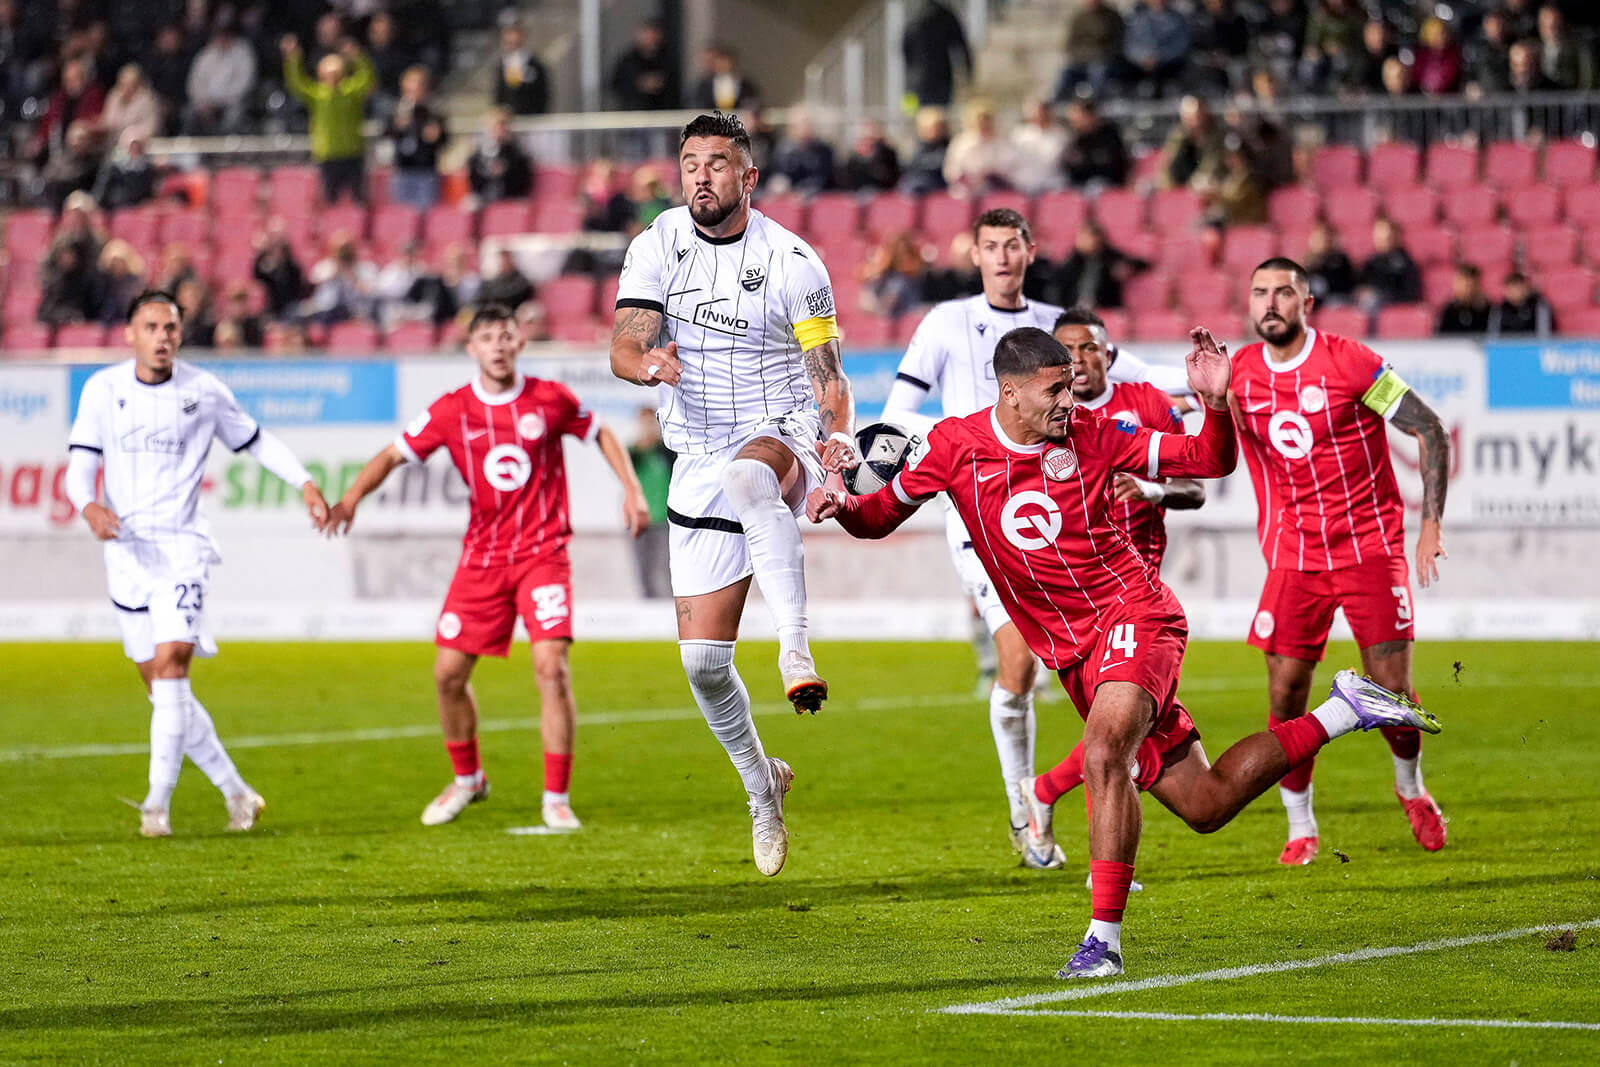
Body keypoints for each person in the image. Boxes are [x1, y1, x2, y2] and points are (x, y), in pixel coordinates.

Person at [809, 324, 1441, 978]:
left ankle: (1103, 942)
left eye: (1071, 386)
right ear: (1011, 393)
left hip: (1137, 616)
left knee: (1106, 749)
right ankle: (1345, 710)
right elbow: (878, 516)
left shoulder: (1095, 433)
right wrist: (841, 505)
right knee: (1207, 803)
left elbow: (1209, 460)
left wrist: (1217, 405)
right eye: (1055, 389)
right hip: (1076, 654)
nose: (1070, 399)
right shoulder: (953, 447)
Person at [880, 210, 1192, 864]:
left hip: (1054, 509)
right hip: (979, 512)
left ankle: (1060, 789)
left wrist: (1210, 386)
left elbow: (1142, 373)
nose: (1001, 257)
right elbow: (896, 414)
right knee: (1018, 661)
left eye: (1011, 245)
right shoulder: (945, 322)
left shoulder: (1055, 327)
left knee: (1083, 674)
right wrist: (962, 442)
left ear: (1029, 251)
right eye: (989, 246)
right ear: (974, 253)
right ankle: (1026, 812)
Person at [608, 111, 858, 877]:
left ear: (748, 177)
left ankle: (795, 648)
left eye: (718, 163)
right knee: (704, 666)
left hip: (777, 429)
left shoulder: (793, 262)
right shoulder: (657, 244)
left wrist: (836, 447)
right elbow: (624, 344)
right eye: (691, 163)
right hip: (695, 455)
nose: (701, 177)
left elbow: (829, 377)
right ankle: (762, 784)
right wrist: (650, 366)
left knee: (754, 477)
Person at [323, 304, 651, 829]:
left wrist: (631, 491)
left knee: (552, 668)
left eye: (505, 336)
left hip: (543, 555)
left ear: (519, 343)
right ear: (471, 349)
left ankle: (556, 798)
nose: (497, 345)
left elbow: (603, 434)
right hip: (482, 560)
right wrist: (351, 499)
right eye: (486, 338)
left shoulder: (549, 398)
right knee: (448, 675)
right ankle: (467, 779)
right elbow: (392, 455)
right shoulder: (453, 411)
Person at [65, 290, 330, 837]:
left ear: (181, 335)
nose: (162, 336)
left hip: (182, 549)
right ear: (130, 334)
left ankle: (155, 806)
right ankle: (237, 793)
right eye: (151, 326)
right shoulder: (102, 389)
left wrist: (303, 481)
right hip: (126, 551)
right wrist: (88, 505)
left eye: (171, 327)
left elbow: (256, 440)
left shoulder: (203, 392)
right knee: (160, 688)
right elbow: (79, 466)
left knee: (173, 666)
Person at [1230, 257, 1452, 865]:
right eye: (1259, 292)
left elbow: (1431, 430)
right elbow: (1204, 436)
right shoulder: (1239, 375)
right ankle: (1300, 826)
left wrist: (1429, 522)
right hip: (1294, 559)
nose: (1270, 302)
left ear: (1307, 301)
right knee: (1285, 697)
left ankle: (1410, 789)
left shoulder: (1350, 362)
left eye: (1283, 292)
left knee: (1392, 691)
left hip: (1370, 550)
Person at [1054, 307, 1203, 570]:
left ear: (1108, 355)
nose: (1076, 359)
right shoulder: (1045, 416)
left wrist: (1150, 491)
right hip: (1069, 575)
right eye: (1066, 350)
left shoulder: (1150, 403)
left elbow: (1193, 492)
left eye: (1089, 348)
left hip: (1137, 573)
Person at [282, 34, 375, 204]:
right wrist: (293, 59)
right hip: (328, 155)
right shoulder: (317, 95)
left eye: (336, 73)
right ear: (321, 75)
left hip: (352, 152)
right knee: (330, 200)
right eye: (328, 74)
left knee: (358, 199)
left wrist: (357, 57)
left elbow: (368, 78)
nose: (332, 77)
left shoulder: (351, 92)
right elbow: (297, 84)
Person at [628, 406, 675, 599]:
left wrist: (655, 443)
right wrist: (643, 444)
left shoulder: (666, 451)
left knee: (666, 567)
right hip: (640, 519)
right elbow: (626, 469)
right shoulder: (633, 451)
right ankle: (648, 611)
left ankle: (672, 608)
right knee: (643, 569)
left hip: (664, 518)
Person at [385, 66, 446, 210]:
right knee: (403, 214)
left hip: (426, 170)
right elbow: (388, 135)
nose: (414, 89)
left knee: (425, 213)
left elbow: (443, 140)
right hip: (403, 169)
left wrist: (436, 137)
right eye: (411, 84)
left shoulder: (433, 110)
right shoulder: (397, 109)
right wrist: (397, 128)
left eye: (418, 84)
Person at [185, 21, 256, 134]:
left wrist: (222, 100)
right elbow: (194, 83)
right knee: (188, 113)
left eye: (224, 36)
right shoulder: (205, 55)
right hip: (206, 103)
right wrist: (203, 102)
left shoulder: (242, 53)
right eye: (218, 36)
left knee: (234, 116)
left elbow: (245, 83)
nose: (221, 40)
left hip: (232, 102)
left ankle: (227, 148)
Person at [901, 0, 971, 108]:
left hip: (917, 81)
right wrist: (968, 72)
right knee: (937, 117)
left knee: (919, 117)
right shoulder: (946, 16)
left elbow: (905, 50)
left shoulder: (913, 16)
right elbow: (961, 46)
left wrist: (911, 72)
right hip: (941, 79)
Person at [467, 107, 534, 204]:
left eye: (502, 126)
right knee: (470, 204)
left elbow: (523, 180)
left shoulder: (517, 151)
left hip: (511, 195)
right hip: (485, 194)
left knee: (523, 204)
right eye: (494, 126)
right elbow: (474, 179)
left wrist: (506, 170)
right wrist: (488, 173)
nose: (498, 130)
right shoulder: (480, 151)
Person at [609, 19, 678, 111]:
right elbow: (616, 84)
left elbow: (675, 85)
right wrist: (639, 85)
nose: (651, 39)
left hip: (662, 111)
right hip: (634, 111)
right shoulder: (628, 60)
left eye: (654, 35)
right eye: (647, 35)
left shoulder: (668, 59)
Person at [1061, 97, 1129, 190]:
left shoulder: (1110, 135)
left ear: (1090, 116)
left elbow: (1111, 167)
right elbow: (1071, 167)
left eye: (1077, 119)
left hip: (1108, 186)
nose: (1074, 123)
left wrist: (1085, 164)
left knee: (1095, 186)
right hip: (1081, 185)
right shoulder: (1078, 139)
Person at [494, 23, 551, 115]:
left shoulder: (535, 64)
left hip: (531, 117)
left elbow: (542, 94)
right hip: (509, 119)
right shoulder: (503, 64)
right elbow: (500, 93)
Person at [1489, 272, 1555, 337]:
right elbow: (1493, 336)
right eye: (1511, 288)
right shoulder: (1499, 309)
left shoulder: (1538, 306)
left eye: (1518, 287)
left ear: (1526, 289)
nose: (1515, 292)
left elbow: (1545, 336)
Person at [1436, 264, 1490, 335]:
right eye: (1461, 283)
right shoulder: (1449, 311)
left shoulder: (1489, 311)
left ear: (1477, 285)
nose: (1466, 289)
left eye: (1469, 285)